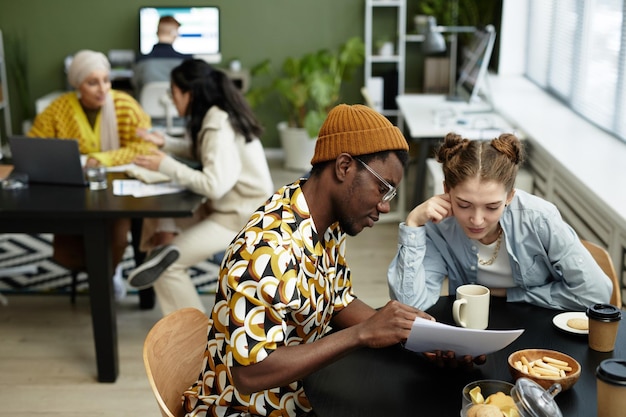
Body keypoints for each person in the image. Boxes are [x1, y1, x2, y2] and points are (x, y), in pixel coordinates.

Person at [180, 104, 483, 417]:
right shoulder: (266, 251)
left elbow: (337, 300)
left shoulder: (322, 219)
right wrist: (361, 334)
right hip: (246, 408)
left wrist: (415, 336)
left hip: (303, 389)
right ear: (344, 167)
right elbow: (250, 374)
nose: (384, 207)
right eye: (383, 189)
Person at [388, 132, 612, 312]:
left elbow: (596, 294)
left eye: (492, 207)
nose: (476, 220)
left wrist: (512, 294)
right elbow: (409, 307)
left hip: (542, 329)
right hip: (474, 331)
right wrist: (413, 225)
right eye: (464, 205)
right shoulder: (438, 226)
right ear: (446, 190)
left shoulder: (538, 218)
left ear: (510, 196)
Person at [126, 58, 275, 316]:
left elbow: (214, 185)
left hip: (240, 219)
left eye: (173, 93)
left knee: (168, 268)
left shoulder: (217, 124)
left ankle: (194, 341)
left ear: (189, 93)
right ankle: (165, 250)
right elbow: (208, 154)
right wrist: (167, 143)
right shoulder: (218, 115)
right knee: (161, 216)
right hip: (238, 210)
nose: (172, 100)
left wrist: (165, 165)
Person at [28, 49, 158, 300]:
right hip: (75, 188)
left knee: (115, 233)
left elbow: (146, 146)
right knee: (71, 240)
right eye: (92, 82)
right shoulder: (59, 110)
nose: (102, 89)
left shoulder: (125, 105)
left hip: (118, 188)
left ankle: (109, 271)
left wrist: (103, 158)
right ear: (77, 85)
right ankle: (100, 271)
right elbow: (35, 145)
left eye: (106, 80)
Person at [132, 15, 191, 95]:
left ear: (157, 33)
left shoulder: (140, 60)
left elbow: (135, 86)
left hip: (146, 106)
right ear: (174, 33)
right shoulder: (187, 62)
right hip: (177, 107)